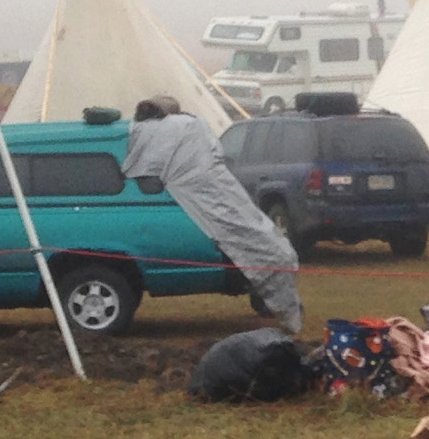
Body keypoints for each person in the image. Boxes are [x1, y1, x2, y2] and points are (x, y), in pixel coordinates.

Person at [126, 97, 303, 334]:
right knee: (273, 251)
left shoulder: (162, 132)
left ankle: (281, 307)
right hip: (207, 201)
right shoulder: (188, 127)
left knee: (274, 251)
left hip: (210, 198)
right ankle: (285, 311)